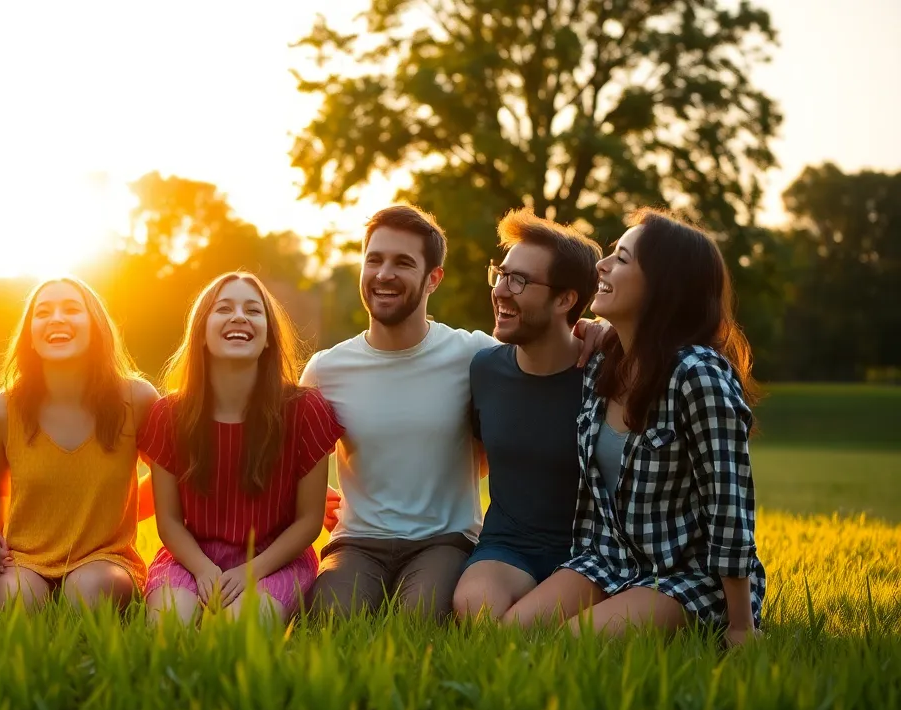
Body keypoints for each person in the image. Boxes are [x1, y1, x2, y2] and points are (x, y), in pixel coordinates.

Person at [304, 204, 605, 619]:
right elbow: (288, 460)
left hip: (445, 540)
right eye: (374, 260)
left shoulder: (474, 355)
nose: (384, 273)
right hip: (356, 541)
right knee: (329, 618)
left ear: (434, 278)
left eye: (403, 262)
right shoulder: (326, 369)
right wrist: (312, 496)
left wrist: (595, 327)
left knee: (421, 619)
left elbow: (542, 350)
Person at [507, 209, 765, 646]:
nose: (601, 266)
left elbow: (729, 506)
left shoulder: (698, 376)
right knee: (510, 633)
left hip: (689, 576)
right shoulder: (603, 362)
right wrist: (596, 329)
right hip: (608, 561)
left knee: (570, 644)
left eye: (621, 259)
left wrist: (741, 626)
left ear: (663, 286)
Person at [140, 272, 344, 624]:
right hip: (191, 557)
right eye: (224, 309)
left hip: (276, 561)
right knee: (170, 625)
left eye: (253, 310)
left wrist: (251, 571)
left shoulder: (306, 410)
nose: (239, 317)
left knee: (237, 628)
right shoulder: (168, 415)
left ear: (268, 337)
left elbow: (309, 522)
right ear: (201, 333)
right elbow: (169, 521)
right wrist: (202, 569)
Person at [452, 209, 601, 621]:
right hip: (506, 547)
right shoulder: (484, 370)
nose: (501, 290)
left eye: (519, 280)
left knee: (525, 627)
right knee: (475, 607)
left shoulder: (605, 375)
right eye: (501, 274)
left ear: (565, 299)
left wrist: (605, 331)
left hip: (589, 555)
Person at [0, 277, 158, 611]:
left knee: (87, 594)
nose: (57, 318)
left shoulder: (138, 399)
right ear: (30, 335)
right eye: (43, 312)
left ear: (96, 327)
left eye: (72, 309)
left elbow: (166, 480)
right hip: (24, 559)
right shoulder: (0, 411)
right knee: (16, 604)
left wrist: (122, 512)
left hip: (106, 558)